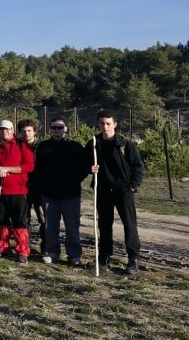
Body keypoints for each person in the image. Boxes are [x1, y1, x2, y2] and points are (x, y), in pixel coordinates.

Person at [88, 109, 145, 274]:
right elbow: (83, 163)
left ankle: (133, 259)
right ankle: (105, 256)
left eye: (108, 123)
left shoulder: (125, 144)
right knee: (104, 225)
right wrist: (89, 168)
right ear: (98, 124)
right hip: (103, 189)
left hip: (123, 190)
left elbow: (138, 167)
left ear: (115, 124)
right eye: (102, 123)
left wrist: (133, 186)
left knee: (129, 225)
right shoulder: (93, 143)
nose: (104, 127)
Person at [31, 118, 86, 266]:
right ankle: (53, 252)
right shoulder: (43, 147)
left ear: (65, 129)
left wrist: (75, 180)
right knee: (50, 226)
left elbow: (85, 167)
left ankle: (74, 255)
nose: (57, 130)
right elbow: (38, 169)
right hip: (49, 194)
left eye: (60, 127)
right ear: (50, 130)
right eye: (54, 127)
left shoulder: (75, 147)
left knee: (72, 226)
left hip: (71, 194)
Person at [0, 120, 35, 262]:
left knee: (19, 222)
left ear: (12, 130)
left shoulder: (21, 144)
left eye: (7, 129)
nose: (4, 132)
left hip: (18, 190)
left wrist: (7, 169)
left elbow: (29, 166)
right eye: (1, 130)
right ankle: (2, 246)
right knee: (1, 220)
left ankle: (22, 250)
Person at [17, 119, 46, 256]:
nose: (26, 133)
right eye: (23, 131)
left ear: (34, 132)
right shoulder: (16, 146)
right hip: (22, 187)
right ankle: (24, 246)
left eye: (29, 131)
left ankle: (45, 247)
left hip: (40, 187)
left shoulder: (42, 147)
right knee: (24, 218)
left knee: (44, 219)